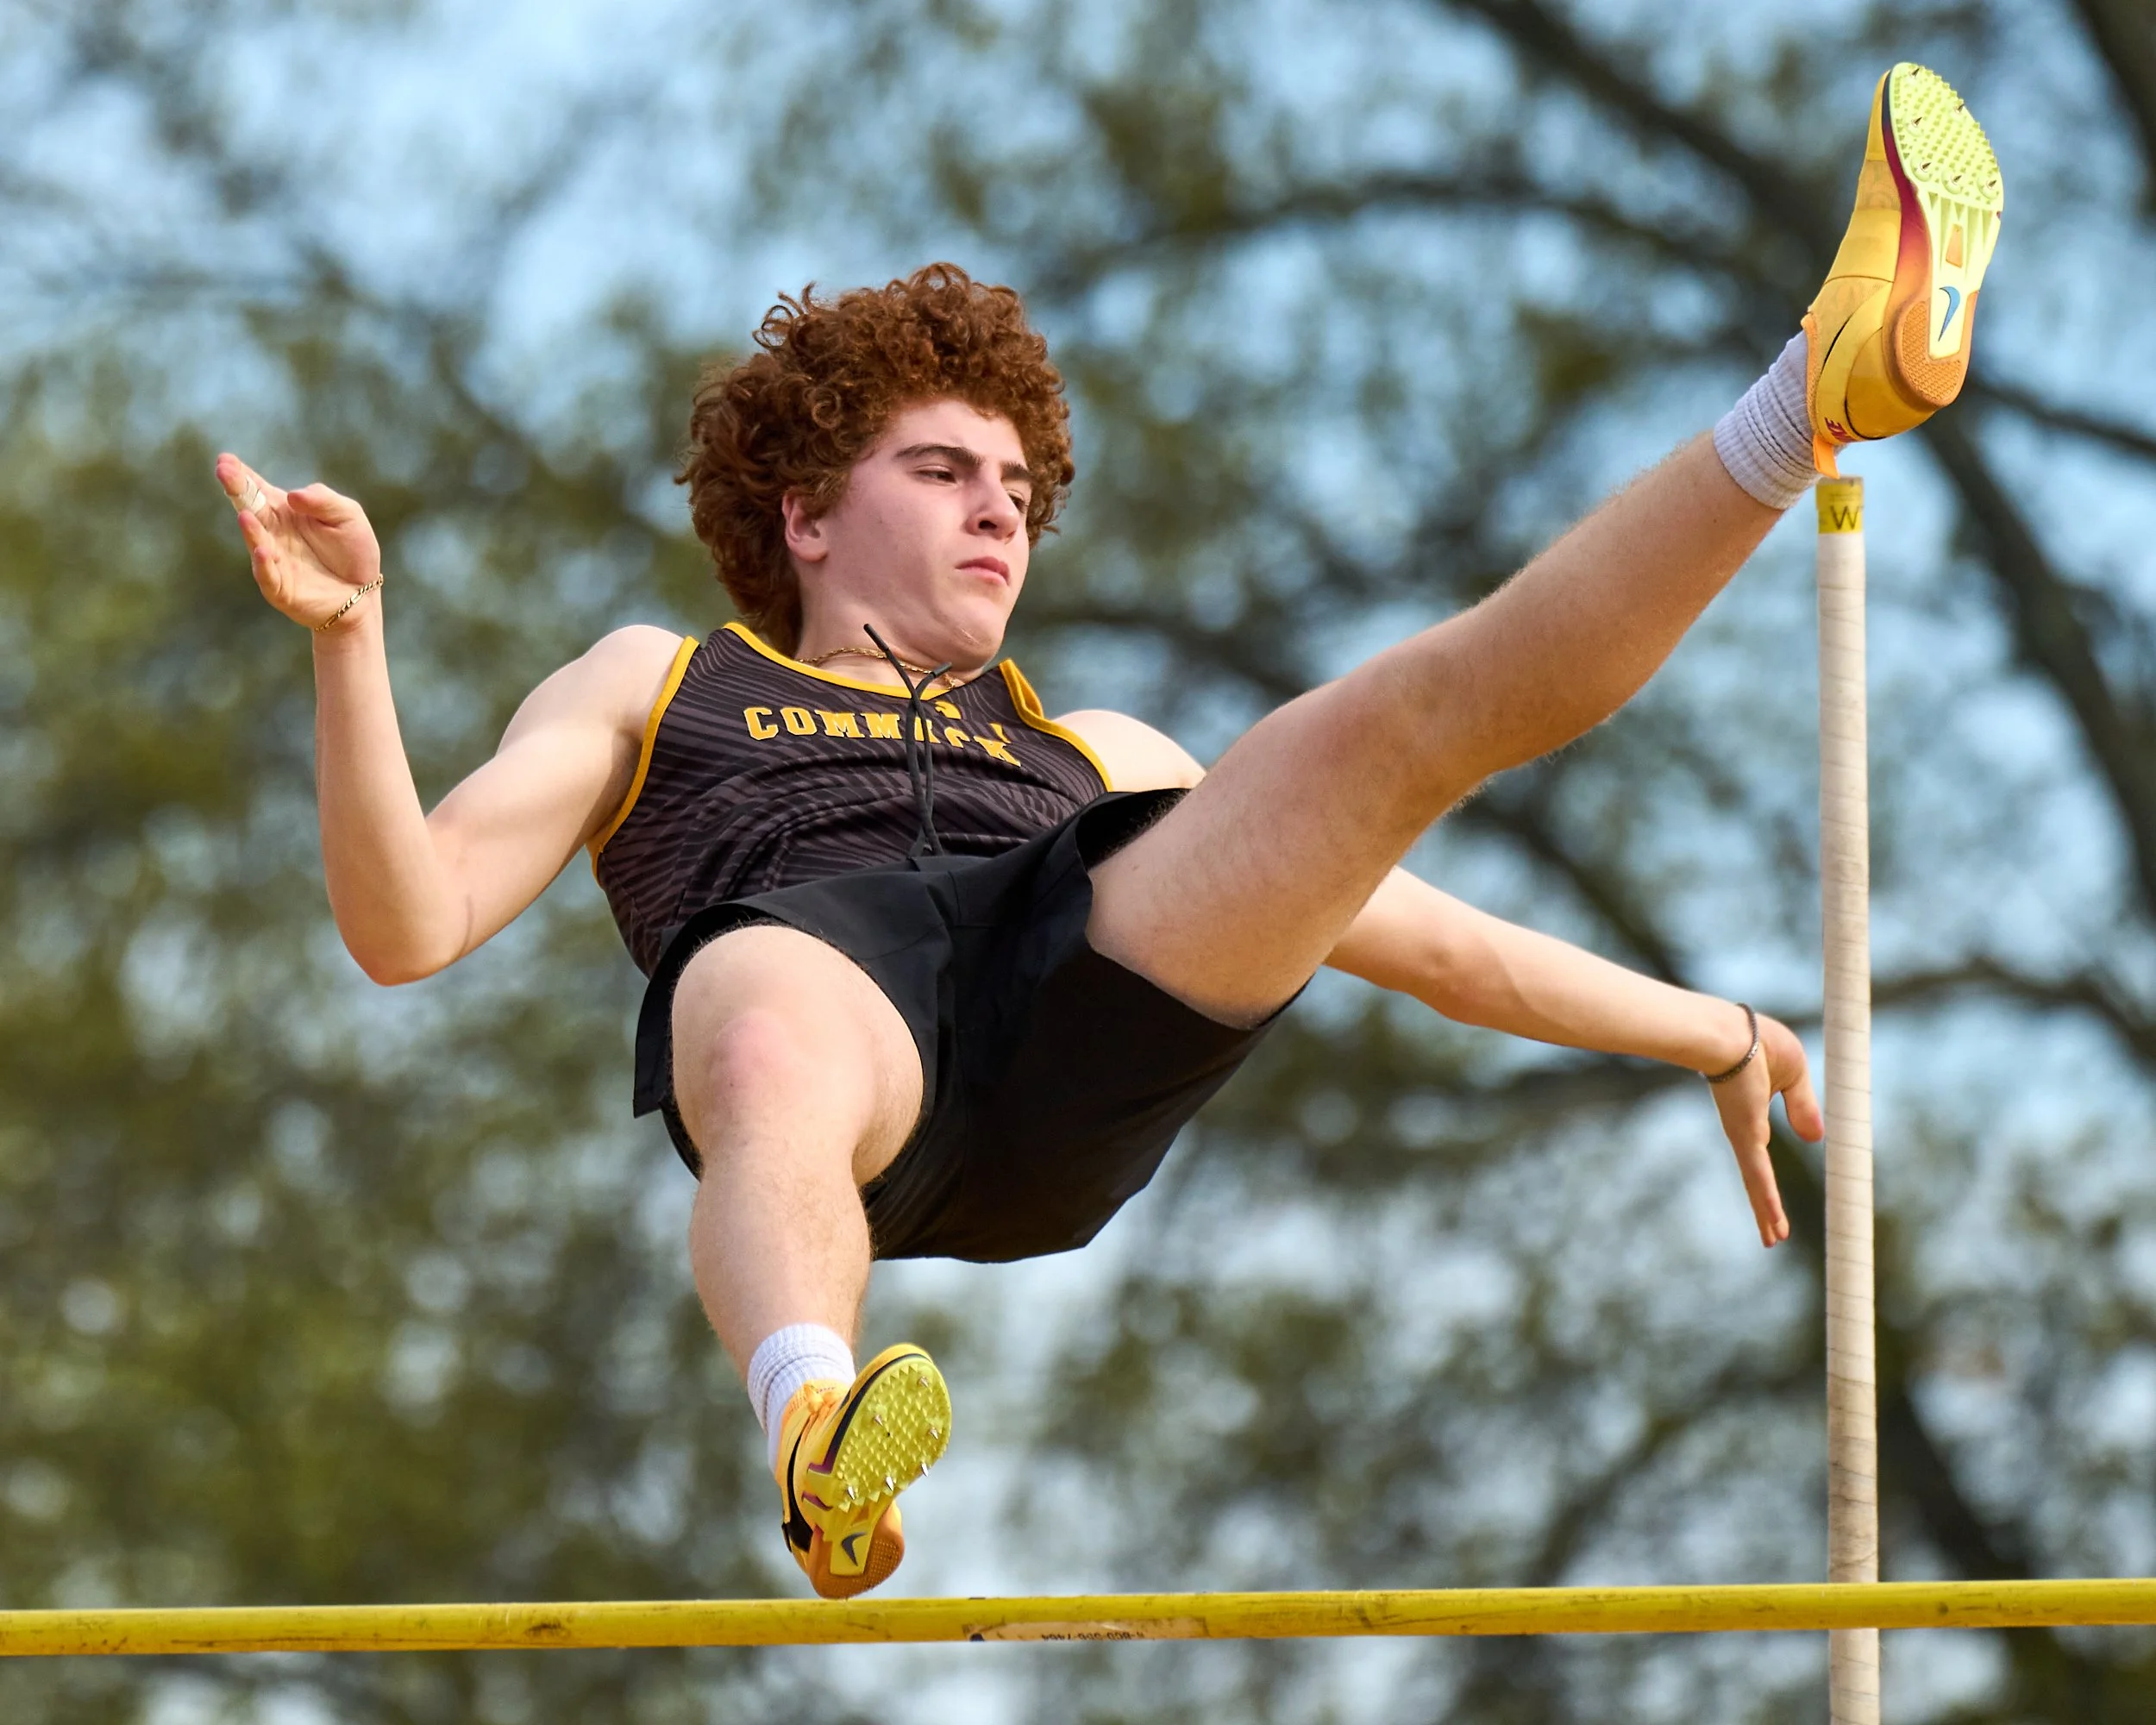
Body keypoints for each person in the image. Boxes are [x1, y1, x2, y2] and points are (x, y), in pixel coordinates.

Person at [216, 61, 1998, 1599]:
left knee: (1376, 726)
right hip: (830, 1041)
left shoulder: (1094, 755)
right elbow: (408, 923)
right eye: (940, 473)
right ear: (806, 518)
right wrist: (353, 643)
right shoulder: (661, 679)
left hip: (1071, 1032)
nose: (997, 513)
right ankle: (820, 1435)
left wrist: (1715, 1028)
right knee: (763, 1011)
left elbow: (1433, 940)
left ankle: (1807, 393)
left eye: (1015, 489)